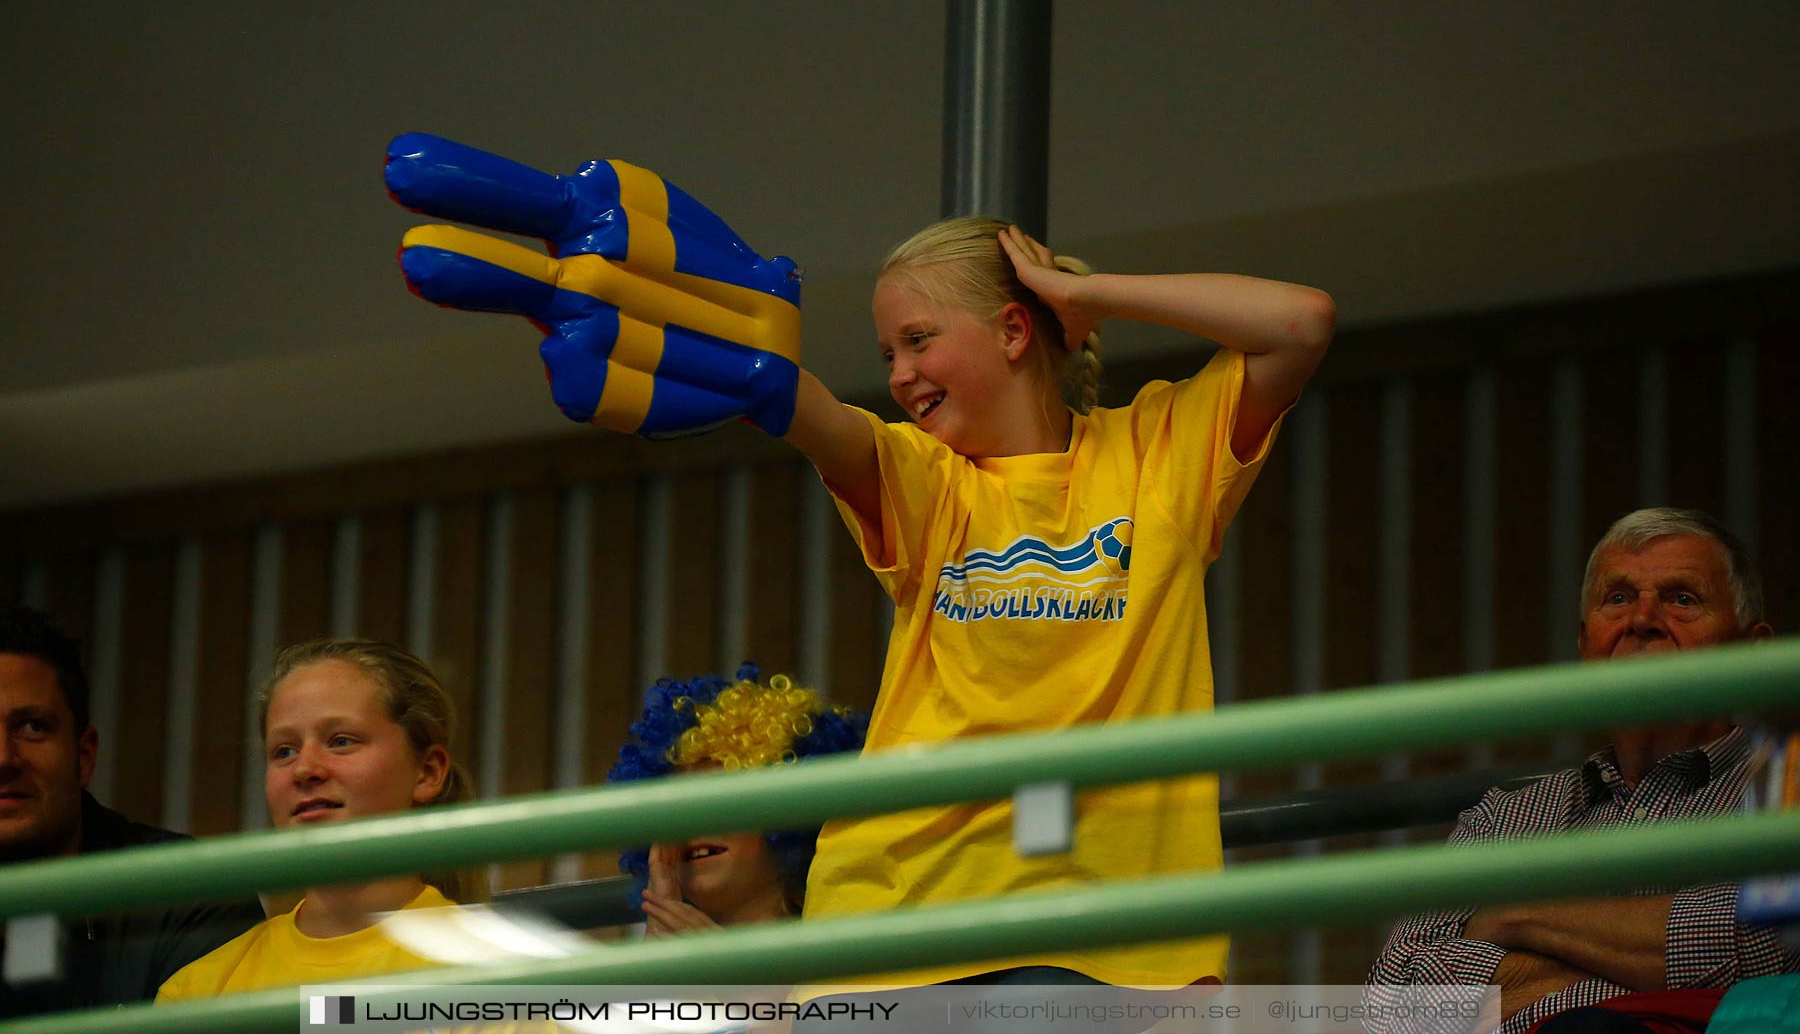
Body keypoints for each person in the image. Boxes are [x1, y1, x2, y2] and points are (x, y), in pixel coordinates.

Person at [780, 220, 1334, 987]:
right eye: (888, 355)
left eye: (918, 340)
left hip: (1101, 933)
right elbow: (806, 412)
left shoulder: (1159, 455)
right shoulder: (927, 481)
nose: (900, 374)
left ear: (1012, 330)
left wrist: (1085, 296)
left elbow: (1301, 324)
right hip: (892, 926)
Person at [1365, 508, 1799, 1034]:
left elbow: (1762, 949)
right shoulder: (1505, 817)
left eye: (1682, 598)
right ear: (1583, 642)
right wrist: (1646, 964)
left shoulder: (1786, 788)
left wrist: (1518, 914)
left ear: (1752, 652)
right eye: (1618, 598)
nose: (1642, 619)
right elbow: (1395, 1003)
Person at [157, 639, 481, 1000]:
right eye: (285, 751)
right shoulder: (198, 992)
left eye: (341, 741)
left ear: (427, 772)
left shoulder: (496, 970)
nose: (304, 769)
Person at [0, 606, 262, 1016]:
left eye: (32, 726)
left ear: (84, 756)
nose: (4, 758)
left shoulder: (191, 892)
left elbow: (348, 1016)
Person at [606, 664, 868, 934]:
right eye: (677, 808)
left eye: (719, 802)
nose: (692, 824)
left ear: (788, 818)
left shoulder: (844, 948)